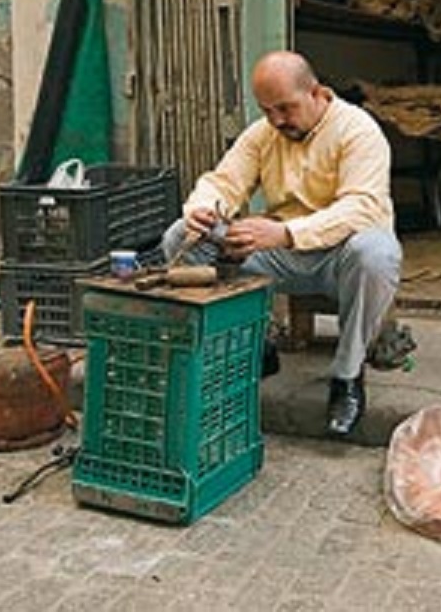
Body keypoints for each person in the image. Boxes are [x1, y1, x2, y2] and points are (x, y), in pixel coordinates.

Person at [162, 50, 402, 438]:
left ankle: (347, 378)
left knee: (375, 253)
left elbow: (362, 207)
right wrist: (203, 210)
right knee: (181, 235)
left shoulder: (358, 130)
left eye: (285, 108)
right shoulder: (263, 133)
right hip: (278, 255)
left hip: (338, 255)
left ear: (317, 92)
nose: (276, 120)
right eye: (267, 110)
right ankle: (254, 347)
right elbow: (223, 182)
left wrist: (286, 233)